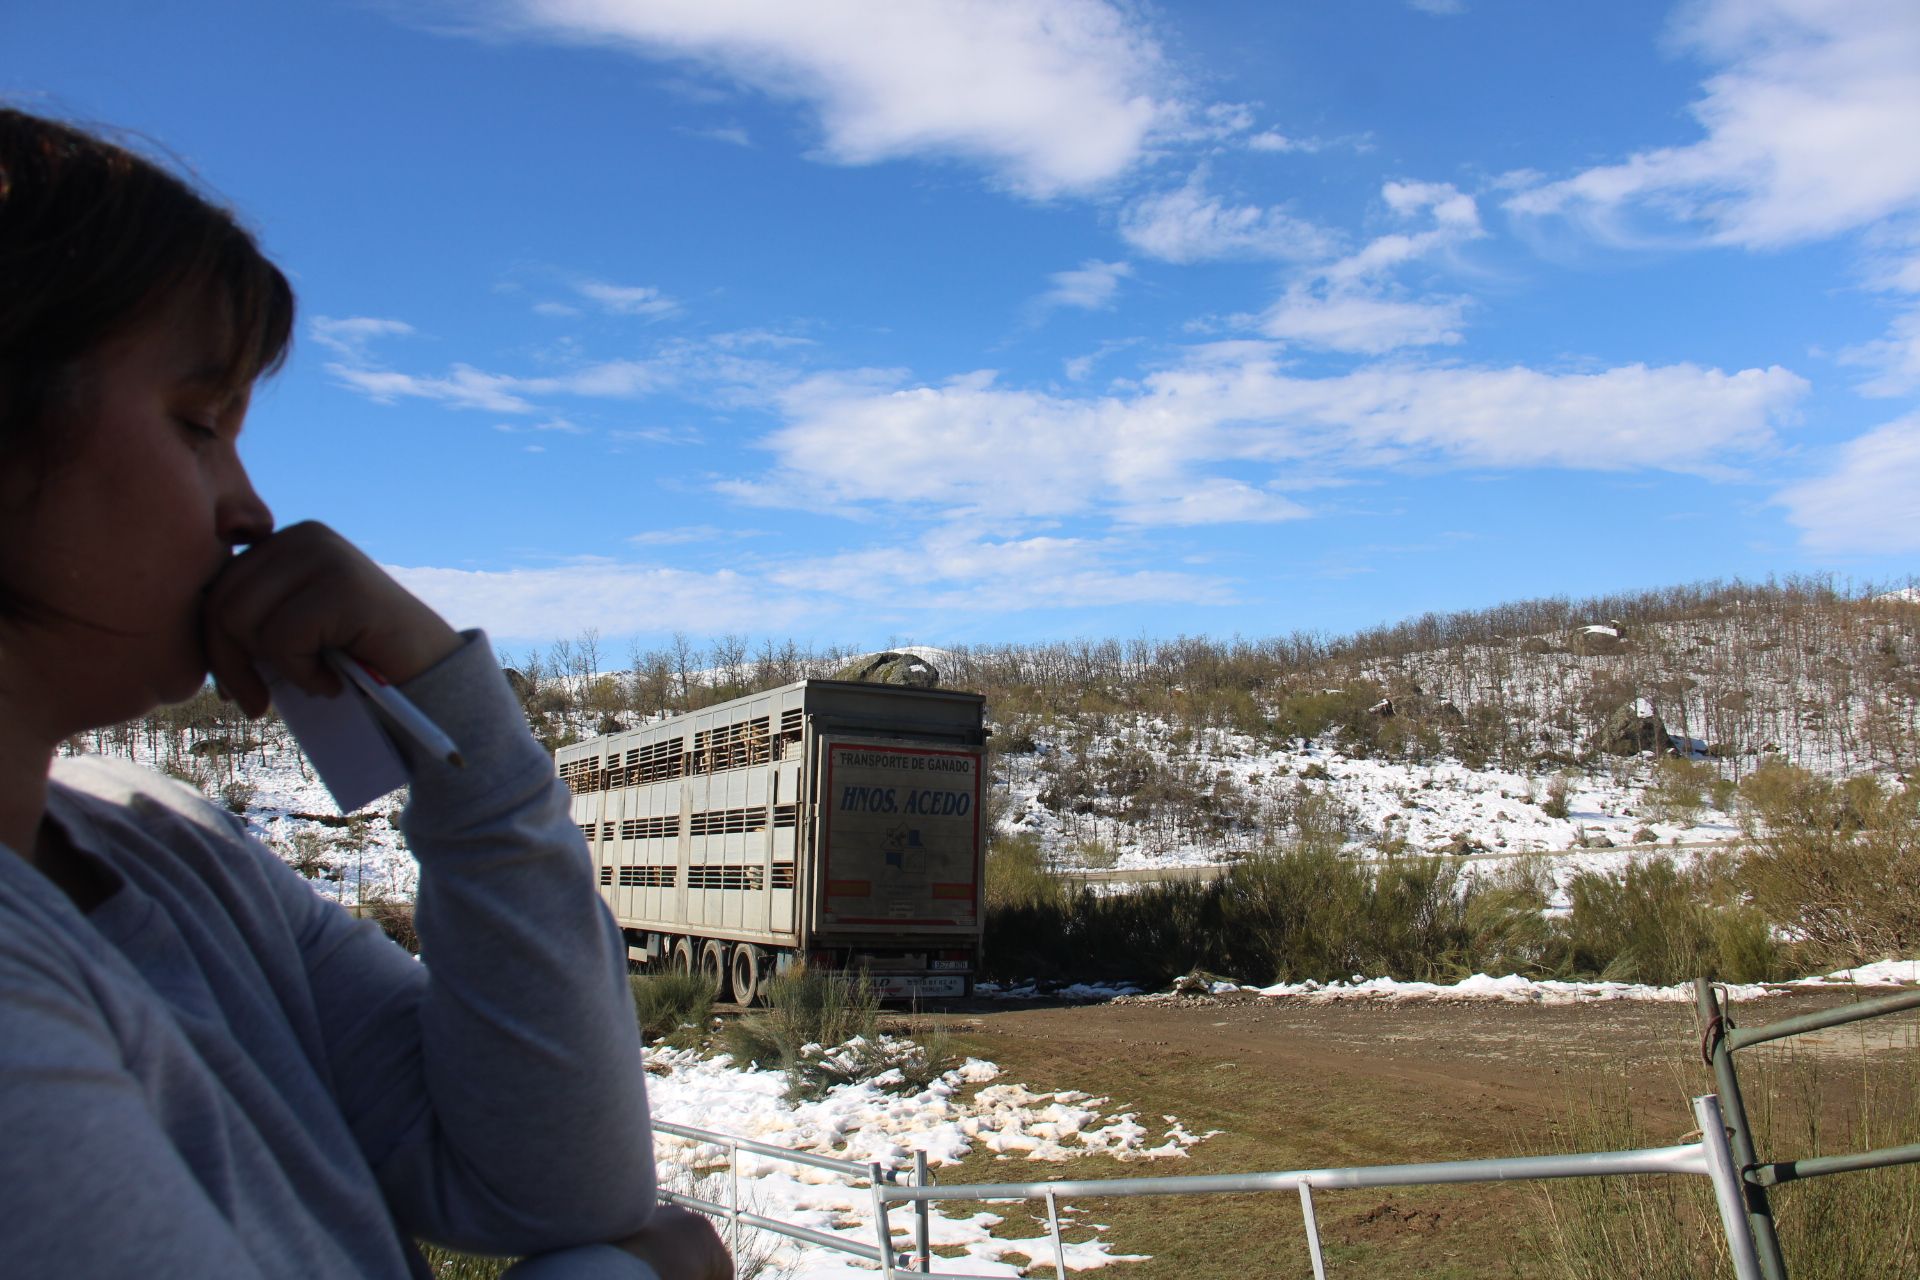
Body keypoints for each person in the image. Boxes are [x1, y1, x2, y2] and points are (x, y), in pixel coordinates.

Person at [0, 108, 731, 1279]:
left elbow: (548, 1179)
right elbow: (601, 1230)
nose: (249, 507)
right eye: (197, 423)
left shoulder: (168, 850)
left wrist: (460, 727)